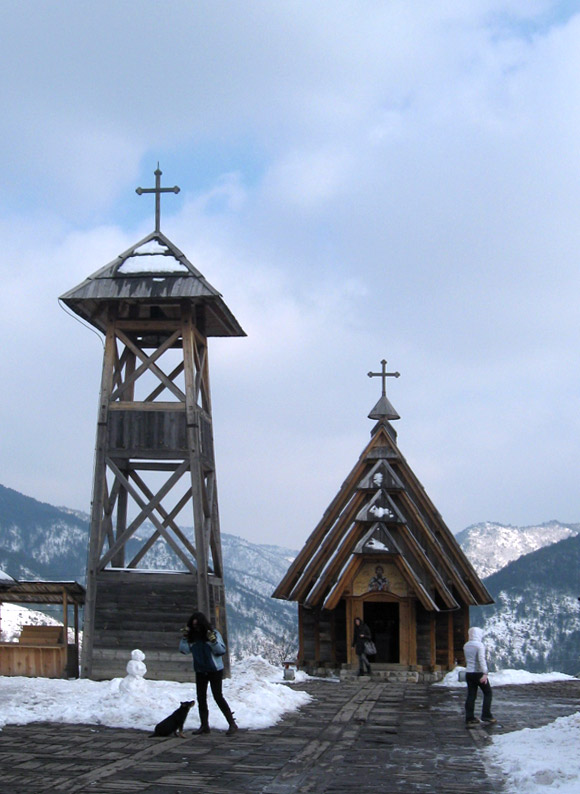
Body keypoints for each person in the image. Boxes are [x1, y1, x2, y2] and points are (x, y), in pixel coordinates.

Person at [179, 611, 238, 736]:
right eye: (194, 626)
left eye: (197, 625)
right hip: (200, 669)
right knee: (201, 698)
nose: (196, 628)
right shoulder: (192, 637)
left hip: (214, 669)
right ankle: (204, 725)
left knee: (218, 696)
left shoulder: (213, 634)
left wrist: (213, 641)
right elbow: (184, 651)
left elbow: (221, 650)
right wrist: (184, 638)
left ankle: (232, 723)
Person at [463, 626, 496, 727]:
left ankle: (469, 717)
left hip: (469, 673)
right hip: (478, 673)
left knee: (471, 695)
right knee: (488, 693)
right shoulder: (479, 645)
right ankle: (486, 715)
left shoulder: (466, 645)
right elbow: (481, 660)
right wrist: (485, 673)